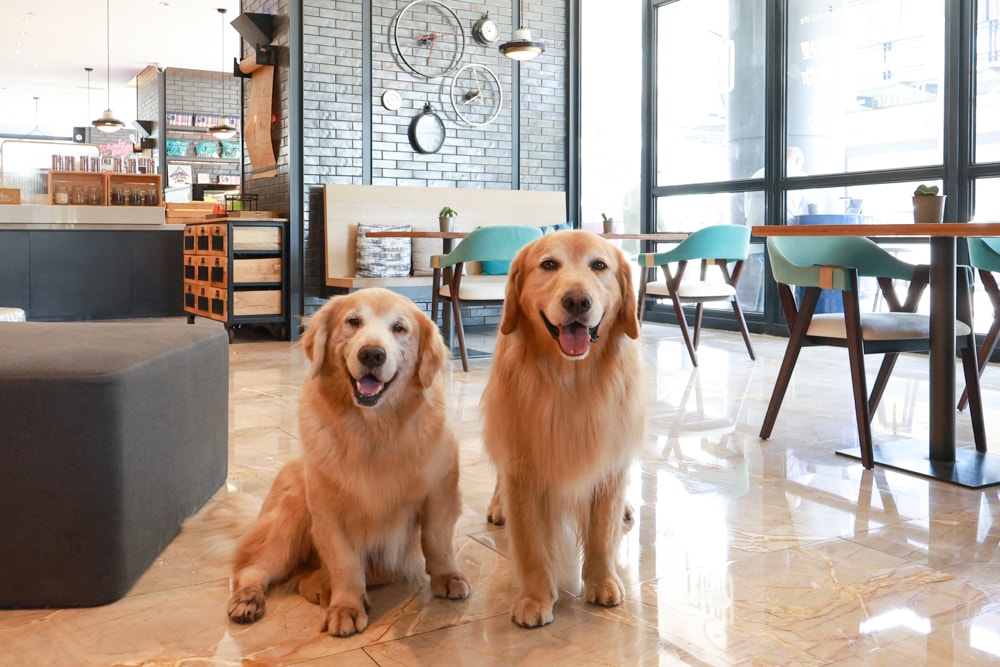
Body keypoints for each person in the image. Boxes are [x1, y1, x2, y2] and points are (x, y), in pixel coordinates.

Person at [744, 146, 811, 226]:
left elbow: (747, 213)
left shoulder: (755, 175)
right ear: (797, 161)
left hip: (754, 232)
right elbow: (808, 214)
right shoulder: (800, 176)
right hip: (784, 233)